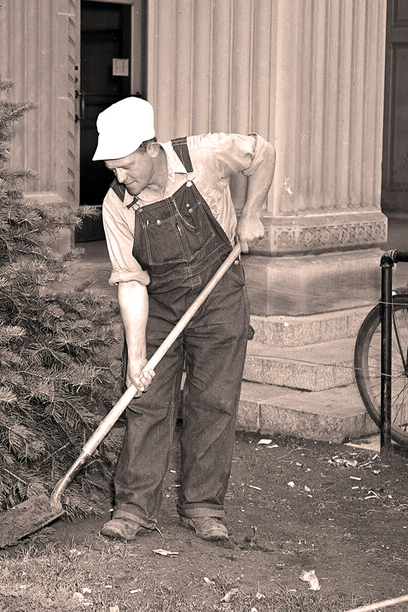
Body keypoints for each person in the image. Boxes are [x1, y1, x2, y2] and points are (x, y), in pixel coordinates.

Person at [93, 96, 275, 542]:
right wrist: (137, 357)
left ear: (151, 148)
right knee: (147, 401)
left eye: (125, 165)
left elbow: (263, 152)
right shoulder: (116, 204)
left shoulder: (205, 154)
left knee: (213, 401)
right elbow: (131, 282)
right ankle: (133, 508)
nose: (120, 177)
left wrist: (250, 214)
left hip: (220, 295)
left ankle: (202, 506)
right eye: (112, 169)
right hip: (160, 302)